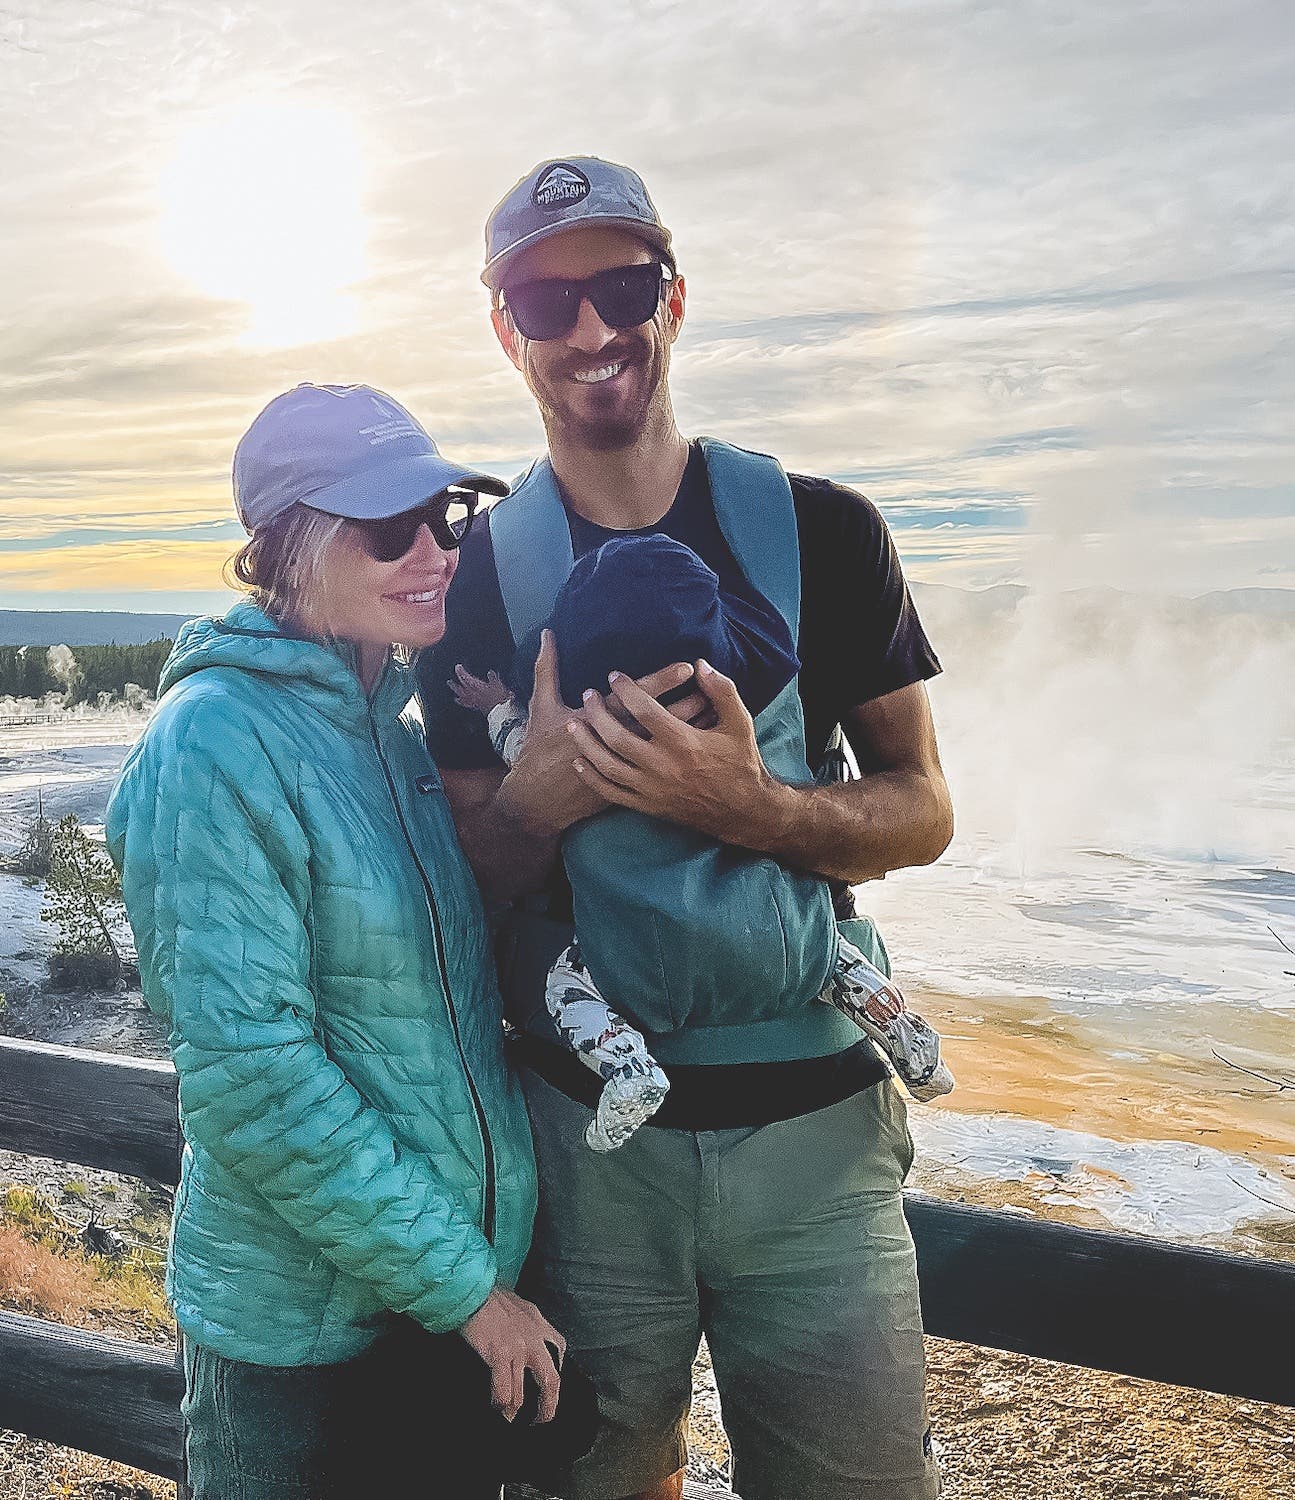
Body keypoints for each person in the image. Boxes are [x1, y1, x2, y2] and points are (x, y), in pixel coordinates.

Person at [418, 156, 953, 1500]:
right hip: (587, 1156)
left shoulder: (826, 532)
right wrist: (541, 791)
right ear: (505, 331)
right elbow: (466, 872)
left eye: (623, 285)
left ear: (675, 298)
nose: (591, 330)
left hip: (820, 1151)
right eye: (547, 299)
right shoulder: (471, 576)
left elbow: (922, 810)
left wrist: (751, 806)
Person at [106, 383, 593, 1499]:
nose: (434, 555)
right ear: (288, 552)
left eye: (448, 519)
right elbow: (252, 1079)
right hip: (302, 1344)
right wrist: (470, 1291)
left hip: (423, 1311)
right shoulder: (217, 741)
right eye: (388, 532)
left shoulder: (398, 733)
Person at [444, 531, 955, 1152]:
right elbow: (920, 811)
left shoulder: (582, 747)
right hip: (778, 938)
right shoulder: (754, 728)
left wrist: (500, 707)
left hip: (637, 955)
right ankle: (904, 1031)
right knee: (830, 958)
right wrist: (761, 807)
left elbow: (518, 756)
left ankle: (628, 1068)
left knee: (568, 989)